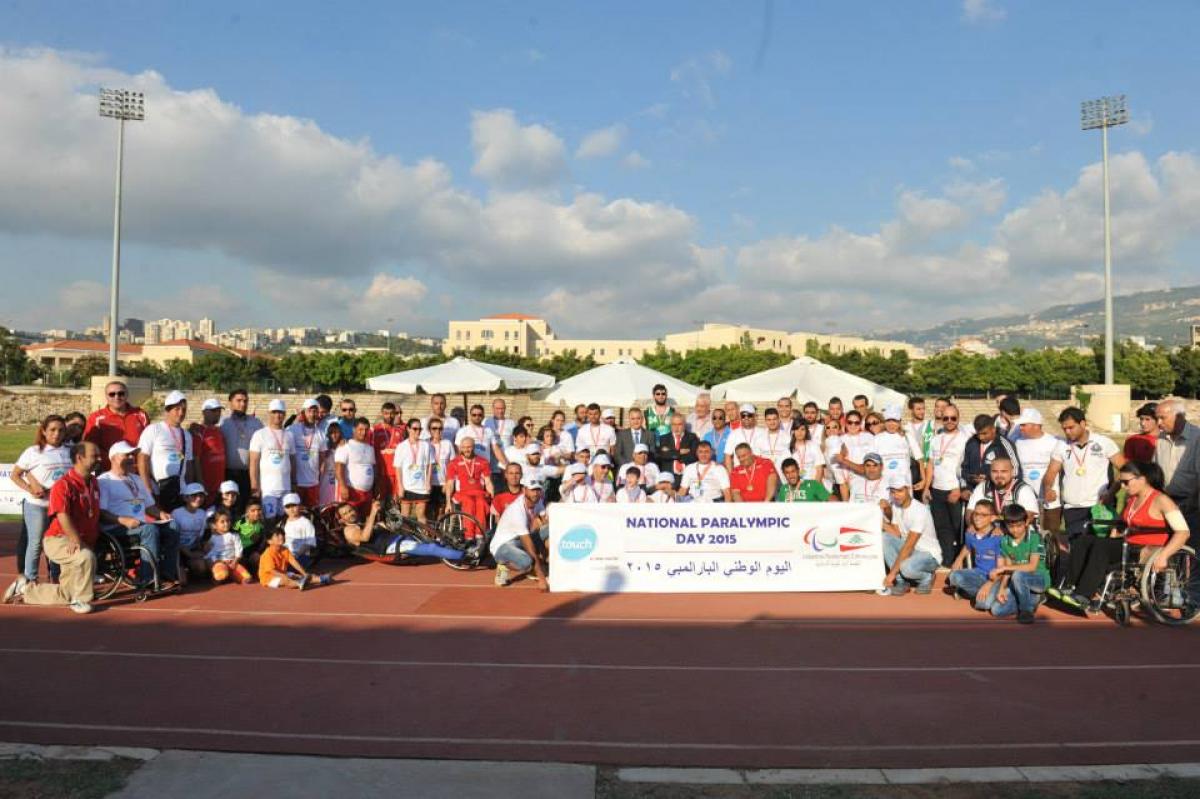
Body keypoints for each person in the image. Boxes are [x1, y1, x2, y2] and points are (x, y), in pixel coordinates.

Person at [1052, 461, 1191, 614]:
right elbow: (1122, 525)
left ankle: (1083, 595)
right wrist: (1113, 535)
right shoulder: (1132, 500)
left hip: (1147, 550)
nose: (1123, 487)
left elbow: (1183, 532)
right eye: (1121, 482)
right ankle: (1071, 586)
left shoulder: (1162, 500)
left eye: (1126, 482)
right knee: (1083, 540)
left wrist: (1164, 556)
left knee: (1102, 547)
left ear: (1142, 479)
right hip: (1127, 546)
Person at [4, 442, 100, 613]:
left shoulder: (93, 482)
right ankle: (82, 600)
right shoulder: (63, 485)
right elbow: (62, 515)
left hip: (75, 538)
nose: (99, 458)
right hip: (58, 540)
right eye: (94, 455)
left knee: (66, 594)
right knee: (86, 557)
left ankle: (25, 590)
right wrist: (75, 538)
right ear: (79, 458)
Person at [1041, 407, 1124, 552]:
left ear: (1083, 423)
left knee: (1099, 549)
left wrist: (1111, 492)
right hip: (1072, 508)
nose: (1067, 432)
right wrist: (1048, 488)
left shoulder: (1104, 443)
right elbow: (1050, 473)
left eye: (1071, 427)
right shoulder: (1061, 446)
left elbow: (1125, 470)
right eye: (1064, 429)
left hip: (1099, 507)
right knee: (1077, 550)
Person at [98, 440, 180, 586]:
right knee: (149, 529)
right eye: (127, 455)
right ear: (114, 458)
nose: (131, 458)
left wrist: (161, 514)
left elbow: (149, 506)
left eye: (132, 455)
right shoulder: (104, 480)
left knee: (173, 526)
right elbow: (101, 513)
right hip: (117, 529)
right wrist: (124, 520)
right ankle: (147, 578)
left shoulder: (136, 479)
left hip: (139, 526)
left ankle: (167, 574)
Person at [10, 415, 72, 584]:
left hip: (60, 507)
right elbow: (15, 474)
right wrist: (30, 488)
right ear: (44, 431)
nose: (56, 433)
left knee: (58, 543)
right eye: (52, 429)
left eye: (61, 430)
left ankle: (57, 578)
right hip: (37, 505)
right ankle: (30, 580)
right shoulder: (34, 451)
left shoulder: (70, 451)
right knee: (36, 543)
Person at [924, 403, 971, 567]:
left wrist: (958, 488)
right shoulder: (936, 439)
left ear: (958, 419)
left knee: (958, 526)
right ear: (941, 419)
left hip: (954, 489)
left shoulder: (964, 439)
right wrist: (926, 487)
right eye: (946, 418)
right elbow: (931, 463)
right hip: (936, 489)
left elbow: (965, 467)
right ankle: (947, 559)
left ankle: (961, 560)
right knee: (942, 527)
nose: (949, 421)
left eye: (953, 418)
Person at [986, 504, 1049, 623]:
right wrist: (1002, 588)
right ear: (1006, 526)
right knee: (996, 610)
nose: (1015, 530)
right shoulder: (1005, 541)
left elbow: (1032, 566)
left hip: (1038, 579)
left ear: (1026, 522)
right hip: (1018, 581)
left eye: (1019, 526)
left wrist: (1003, 567)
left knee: (1018, 575)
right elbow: (1009, 570)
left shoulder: (1035, 538)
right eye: (1011, 526)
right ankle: (1033, 599)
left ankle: (1026, 611)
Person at [881, 475, 942, 596]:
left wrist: (891, 574)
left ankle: (927, 577)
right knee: (884, 538)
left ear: (908, 490)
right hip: (912, 551)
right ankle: (901, 581)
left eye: (900, 491)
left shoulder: (920, 510)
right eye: (893, 492)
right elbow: (896, 533)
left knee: (906, 568)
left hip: (929, 554)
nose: (896, 495)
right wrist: (880, 522)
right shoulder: (895, 506)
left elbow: (909, 545)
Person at [137, 391, 196, 512]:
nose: (181, 413)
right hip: (157, 489)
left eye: (184, 409)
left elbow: (189, 464)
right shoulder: (154, 429)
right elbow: (142, 459)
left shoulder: (187, 435)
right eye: (177, 409)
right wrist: (147, 488)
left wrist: (190, 489)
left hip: (180, 490)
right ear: (167, 410)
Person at [491, 476, 549, 590]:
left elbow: (545, 521)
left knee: (551, 529)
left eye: (538, 490)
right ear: (524, 490)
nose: (536, 493)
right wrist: (541, 577)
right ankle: (503, 564)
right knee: (527, 562)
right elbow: (529, 546)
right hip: (503, 546)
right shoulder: (517, 510)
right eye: (532, 490)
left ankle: (542, 566)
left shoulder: (538, 500)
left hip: (519, 540)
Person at [1013, 408, 1064, 535]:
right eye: (1020, 425)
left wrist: (1050, 489)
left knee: (1051, 533)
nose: (1021, 428)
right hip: (1025, 497)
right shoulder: (1017, 442)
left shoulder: (1054, 441)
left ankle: (1053, 554)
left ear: (1036, 425)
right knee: (1026, 533)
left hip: (1050, 498)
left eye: (1024, 425)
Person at [1154, 398, 1200, 537]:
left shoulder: (1197, 438)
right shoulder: (1161, 438)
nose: (1158, 423)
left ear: (1179, 417)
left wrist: (1190, 503)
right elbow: (1156, 471)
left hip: (1191, 507)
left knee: (1190, 550)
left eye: (1162, 418)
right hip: (1166, 504)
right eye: (1157, 418)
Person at [84, 380, 149, 473]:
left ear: (127, 395)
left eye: (121, 393)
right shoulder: (96, 418)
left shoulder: (140, 415)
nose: (117, 397)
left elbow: (149, 443)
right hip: (109, 471)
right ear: (106, 396)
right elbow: (90, 446)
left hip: (138, 470)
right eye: (112, 394)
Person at [947, 500, 1003, 607]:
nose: (978, 517)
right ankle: (976, 592)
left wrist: (989, 584)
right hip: (978, 574)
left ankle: (970, 593)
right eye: (976, 513)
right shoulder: (970, 533)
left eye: (983, 515)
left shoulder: (998, 537)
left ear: (992, 518)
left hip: (995, 577)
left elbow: (1002, 569)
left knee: (982, 605)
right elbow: (968, 546)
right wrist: (959, 559)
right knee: (953, 577)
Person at [248, 399, 295, 518]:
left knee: (285, 519)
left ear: (284, 415)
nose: (277, 415)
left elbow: (292, 461)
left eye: (280, 412)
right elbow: (253, 462)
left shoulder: (289, 435)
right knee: (269, 520)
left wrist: (294, 483)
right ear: (269, 413)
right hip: (268, 488)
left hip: (285, 487)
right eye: (274, 412)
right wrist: (254, 486)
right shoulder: (260, 434)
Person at [445, 435, 493, 541]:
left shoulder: (483, 461)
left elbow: (488, 482)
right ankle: (469, 536)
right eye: (464, 447)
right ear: (460, 448)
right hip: (462, 493)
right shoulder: (454, 463)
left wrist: (493, 499)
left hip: (479, 492)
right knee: (469, 502)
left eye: (469, 447)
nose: (467, 449)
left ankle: (480, 535)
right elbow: (450, 484)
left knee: (481, 502)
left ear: (474, 447)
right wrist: (448, 502)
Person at [219, 388, 264, 499]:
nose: (243, 404)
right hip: (228, 473)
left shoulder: (256, 423)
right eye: (238, 401)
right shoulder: (223, 423)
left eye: (245, 401)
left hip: (249, 474)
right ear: (230, 402)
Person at [961, 414, 1020, 491]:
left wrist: (989, 478)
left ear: (993, 429)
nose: (981, 437)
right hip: (973, 491)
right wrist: (968, 482)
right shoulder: (971, 442)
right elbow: (964, 468)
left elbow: (1016, 471)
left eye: (984, 433)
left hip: (996, 491)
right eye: (978, 434)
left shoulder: (1004, 444)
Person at [288, 398, 328, 508]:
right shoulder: (292, 430)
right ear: (303, 412)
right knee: (296, 512)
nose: (312, 414)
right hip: (296, 483)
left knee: (312, 512)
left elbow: (322, 458)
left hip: (313, 483)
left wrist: (319, 478)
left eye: (315, 411)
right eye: (309, 411)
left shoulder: (321, 434)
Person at [258, 526, 325, 590]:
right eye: (277, 535)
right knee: (285, 580)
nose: (281, 537)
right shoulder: (267, 554)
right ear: (269, 541)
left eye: (282, 534)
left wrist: (304, 573)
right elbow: (272, 571)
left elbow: (293, 562)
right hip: (268, 578)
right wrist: (284, 576)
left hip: (282, 572)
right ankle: (299, 584)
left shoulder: (285, 550)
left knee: (299, 576)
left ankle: (321, 579)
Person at [335, 418, 377, 517]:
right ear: (354, 429)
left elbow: (373, 468)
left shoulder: (370, 448)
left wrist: (375, 486)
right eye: (361, 429)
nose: (364, 432)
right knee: (350, 520)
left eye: (366, 429)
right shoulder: (346, 446)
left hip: (367, 493)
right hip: (352, 491)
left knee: (365, 520)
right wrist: (343, 486)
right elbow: (338, 467)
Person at [394, 417, 433, 521]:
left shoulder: (426, 445)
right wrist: (400, 486)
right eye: (415, 429)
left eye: (420, 429)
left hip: (422, 487)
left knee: (421, 516)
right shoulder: (401, 446)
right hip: (407, 486)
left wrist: (428, 482)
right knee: (405, 516)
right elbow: (398, 468)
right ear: (408, 429)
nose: (418, 431)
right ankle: (405, 536)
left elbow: (430, 465)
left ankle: (424, 537)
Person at [172, 483, 210, 581]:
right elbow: (173, 539)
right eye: (194, 496)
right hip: (178, 552)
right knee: (182, 581)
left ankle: (190, 571)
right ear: (185, 498)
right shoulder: (176, 513)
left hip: (193, 550)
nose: (198, 498)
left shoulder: (203, 513)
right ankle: (181, 571)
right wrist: (189, 554)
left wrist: (203, 548)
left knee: (202, 568)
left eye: (201, 495)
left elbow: (202, 537)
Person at [457, 404, 505, 482]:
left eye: (479, 415)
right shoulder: (463, 431)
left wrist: (506, 465)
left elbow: (496, 449)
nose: (477, 417)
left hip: (485, 468)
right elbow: (459, 451)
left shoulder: (488, 430)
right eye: (474, 415)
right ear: (470, 416)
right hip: (469, 469)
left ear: (483, 416)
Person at [191, 398, 227, 500]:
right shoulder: (198, 432)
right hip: (206, 486)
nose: (217, 413)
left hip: (220, 486)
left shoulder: (219, 431)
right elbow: (196, 459)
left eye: (219, 411)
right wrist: (200, 484)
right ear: (204, 412)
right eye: (214, 411)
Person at [836, 411, 876, 501]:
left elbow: (873, 460)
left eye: (856, 423)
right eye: (850, 422)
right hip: (851, 481)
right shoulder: (840, 440)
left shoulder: (869, 437)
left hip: (870, 478)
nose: (853, 425)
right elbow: (839, 469)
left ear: (861, 423)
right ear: (845, 423)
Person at [205, 509, 253, 584]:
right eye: (222, 522)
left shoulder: (234, 536)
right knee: (221, 574)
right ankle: (219, 576)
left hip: (233, 562)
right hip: (219, 562)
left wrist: (235, 562)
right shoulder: (212, 538)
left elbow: (238, 550)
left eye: (228, 521)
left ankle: (232, 575)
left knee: (247, 578)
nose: (226, 524)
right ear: (215, 525)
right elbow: (210, 553)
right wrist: (215, 561)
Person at [655, 414, 699, 488]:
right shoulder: (663, 438)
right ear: (670, 425)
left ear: (684, 425)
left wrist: (670, 453)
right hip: (669, 476)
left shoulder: (692, 437)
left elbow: (693, 456)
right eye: (674, 424)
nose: (676, 428)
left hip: (686, 476)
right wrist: (679, 452)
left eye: (679, 424)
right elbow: (662, 456)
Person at [371, 401, 403, 502]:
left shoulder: (400, 431)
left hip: (395, 473)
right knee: (380, 502)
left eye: (392, 413)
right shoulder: (375, 430)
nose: (389, 416)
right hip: (380, 473)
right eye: (386, 413)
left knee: (395, 503)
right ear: (381, 413)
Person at [427, 418, 454, 517]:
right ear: (429, 430)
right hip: (429, 483)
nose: (437, 431)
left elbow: (452, 465)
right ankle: (428, 531)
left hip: (443, 483)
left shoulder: (448, 444)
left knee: (440, 510)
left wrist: (448, 483)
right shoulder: (425, 444)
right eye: (434, 428)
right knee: (428, 510)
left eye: (440, 428)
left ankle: (438, 531)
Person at [281, 493, 318, 565]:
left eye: (294, 505)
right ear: (284, 509)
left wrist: (296, 555)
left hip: (301, 556)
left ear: (300, 506)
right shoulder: (282, 523)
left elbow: (310, 543)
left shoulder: (305, 523)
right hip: (286, 555)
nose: (291, 509)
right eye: (288, 507)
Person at [724, 404, 764, 470]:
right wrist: (731, 474)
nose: (746, 418)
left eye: (749, 415)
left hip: (759, 470)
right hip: (740, 472)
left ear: (754, 416)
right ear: (740, 417)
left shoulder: (763, 432)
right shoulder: (734, 434)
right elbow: (727, 455)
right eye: (743, 416)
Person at [905, 396, 934, 487]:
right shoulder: (905, 428)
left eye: (923, 408)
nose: (922, 411)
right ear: (911, 410)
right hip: (913, 470)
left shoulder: (931, 425)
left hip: (930, 469)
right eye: (918, 409)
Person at [234, 499, 266, 572]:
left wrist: (258, 552)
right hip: (238, 553)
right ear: (247, 512)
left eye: (259, 510)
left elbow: (262, 542)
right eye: (253, 511)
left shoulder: (262, 524)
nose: (257, 513)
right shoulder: (240, 522)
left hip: (253, 552)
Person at [318, 424, 344, 507]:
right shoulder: (324, 448)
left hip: (339, 482)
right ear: (328, 434)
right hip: (325, 482)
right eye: (332, 433)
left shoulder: (344, 448)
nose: (334, 435)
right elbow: (320, 468)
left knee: (338, 506)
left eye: (336, 432)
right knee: (325, 506)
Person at [822, 416, 845, 497]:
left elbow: (841, 478)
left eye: (834, 427)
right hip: (832, 484)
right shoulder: (826, 443)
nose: (831, 429)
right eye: (828, 427)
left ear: (839, 430)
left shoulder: (836, 440)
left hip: (841, 484)